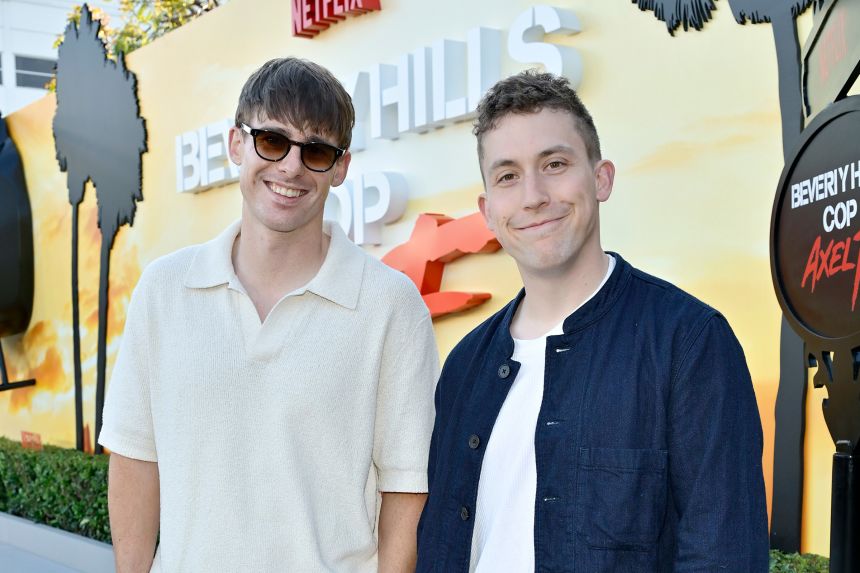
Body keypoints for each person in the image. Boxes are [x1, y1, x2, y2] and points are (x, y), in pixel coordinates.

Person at [416, 70, 769, 572]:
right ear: (488, 210)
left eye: (555, 164)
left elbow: (723, 554)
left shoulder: (689, 342)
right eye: (508, 176)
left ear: (601, 178)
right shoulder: (465, 366)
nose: (534, 195)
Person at [99, 57, 438, 572]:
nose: (291, 167)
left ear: (341, 168)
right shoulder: (164, 290)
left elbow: (407, 486)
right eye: (272, 141)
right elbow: (134, 458)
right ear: (237, 144)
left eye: (316, 150)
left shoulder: (390, 305)